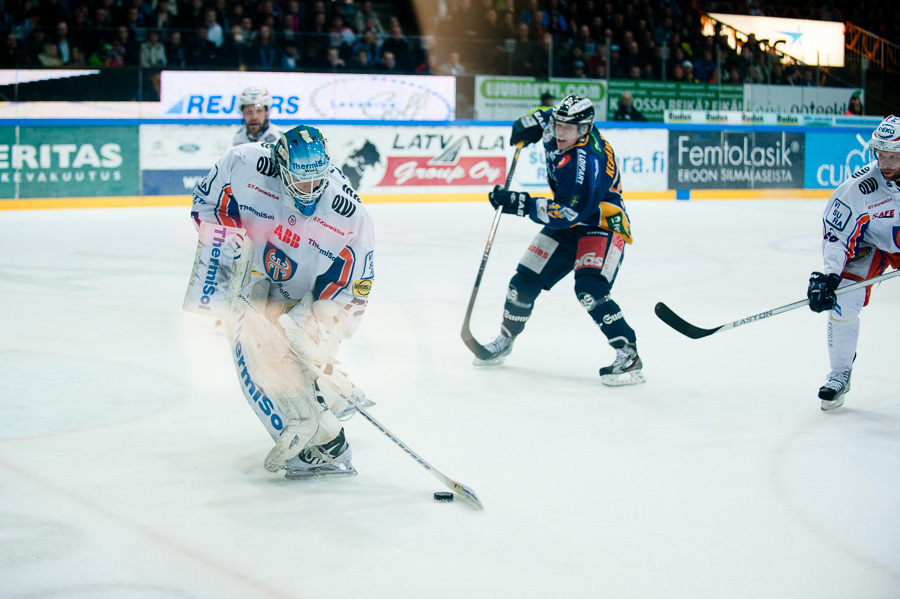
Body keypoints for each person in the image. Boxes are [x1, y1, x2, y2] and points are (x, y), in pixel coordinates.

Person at [189, 125, 376, 477]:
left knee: (293, 354)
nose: (309, 191)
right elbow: (207, 204)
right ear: (281, 164)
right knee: (256, 356)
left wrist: (322, 322)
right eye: (300, 181)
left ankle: (324, 435)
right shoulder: (244, 163)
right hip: (255, 274)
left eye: (316, 182)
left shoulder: (348, 212)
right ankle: (333, 398)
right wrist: (229, 253)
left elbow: (356, 283)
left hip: (305, 290)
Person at [476, 95, 645, 386]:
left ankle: (628, 355)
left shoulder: (587, 161)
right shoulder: (559, 126)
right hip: (568, 216)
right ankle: (505, 339)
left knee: (590, 288)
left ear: (585, 128)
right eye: (558, 124)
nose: (560, 132)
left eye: (569, 127)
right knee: (523, 282)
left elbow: (570, 212)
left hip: (600, 221)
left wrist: (518, 203)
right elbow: (544, 117)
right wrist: (528, 123)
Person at [807, 115, 900, 410]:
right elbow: (837, 233)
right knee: (845, 299)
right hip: (871, 243)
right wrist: (830, 276)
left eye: (894, 156)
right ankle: (839, 374)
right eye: (881, 155)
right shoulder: (861, 187)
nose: (885, 163)